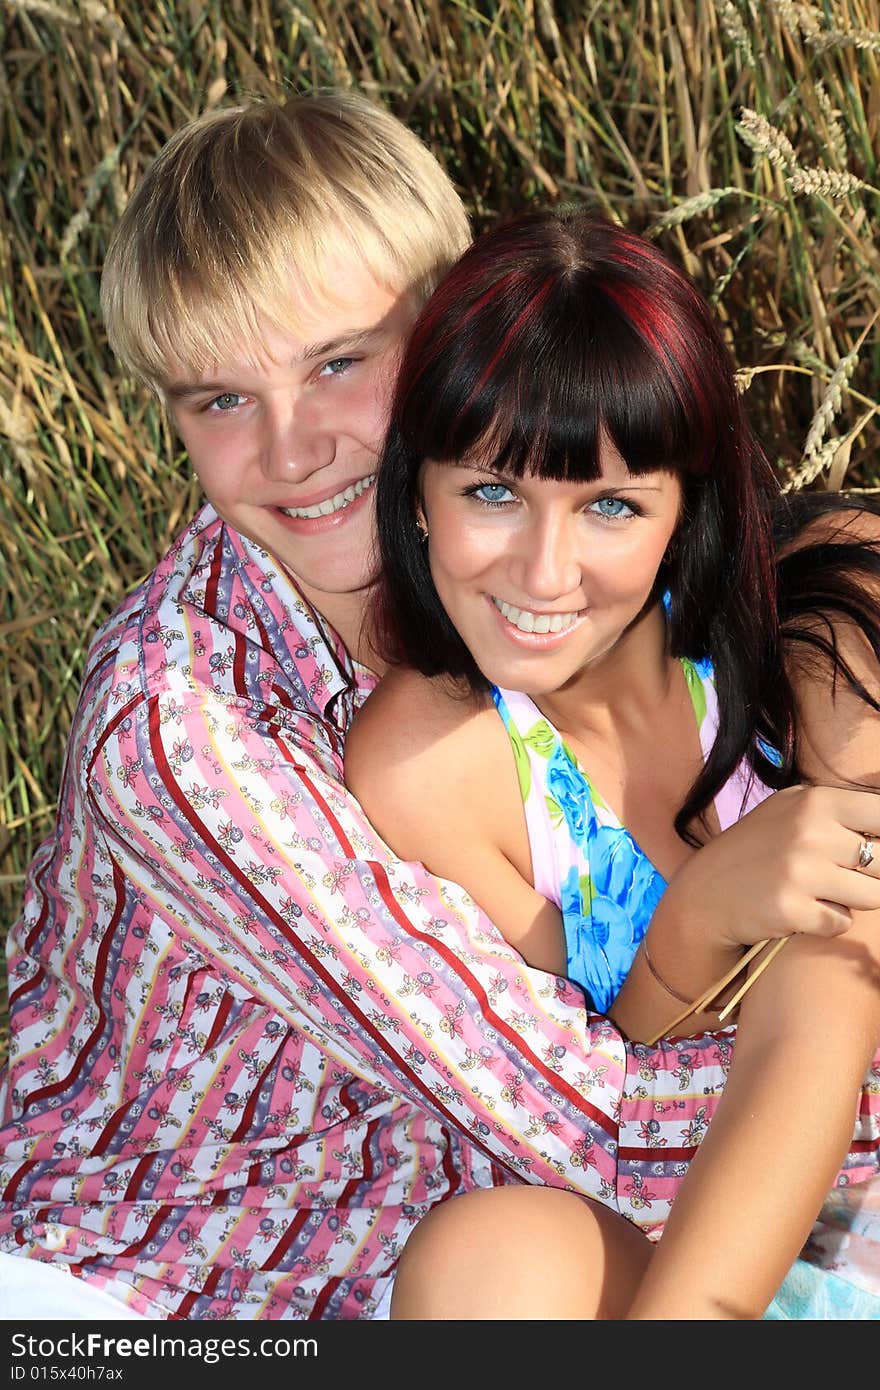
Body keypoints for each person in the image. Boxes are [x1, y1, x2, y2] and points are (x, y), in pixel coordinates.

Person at [0, 92, 876, 1323]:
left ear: (459, 322)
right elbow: (583, 1120)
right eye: (219, 401)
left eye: (341, 364)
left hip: (447, 1239)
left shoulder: (601, 592)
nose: (295, 449)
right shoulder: (189, 734)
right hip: (153, 1289)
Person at [345, 207, 880, 1319]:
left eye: (610, 506)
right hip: (685, 1241)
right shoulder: (433, 762)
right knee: (482, 1258)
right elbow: (599, 1081)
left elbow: (841, 980)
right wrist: (695, 921)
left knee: (834, 928)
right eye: (492, 492)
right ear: (416, 492)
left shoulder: (828, 619)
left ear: (688, 508)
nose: (545, 572)